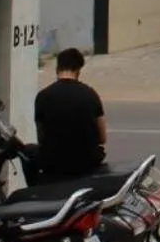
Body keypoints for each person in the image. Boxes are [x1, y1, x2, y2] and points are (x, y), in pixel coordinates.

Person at [34, 48, 107, 179]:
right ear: (78, 70)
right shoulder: (90, 94)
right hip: (87, 164)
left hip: (53, 164)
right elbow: (102, 138)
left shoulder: (42, 96)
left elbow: (41, 136)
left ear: (57, 69)